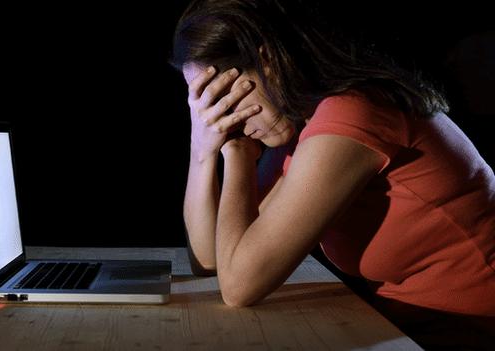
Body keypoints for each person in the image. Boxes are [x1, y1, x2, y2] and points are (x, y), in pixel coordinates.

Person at [170, 0, 495, 347]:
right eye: (207, 105)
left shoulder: (353, 113)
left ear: (268, 62)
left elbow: (239, 285)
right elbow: (212, 261)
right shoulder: (300, 128)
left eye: (223, 98)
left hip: (476, 328)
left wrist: (235, 152)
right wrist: (203, 147)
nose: (221, 117)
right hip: (414, 327)